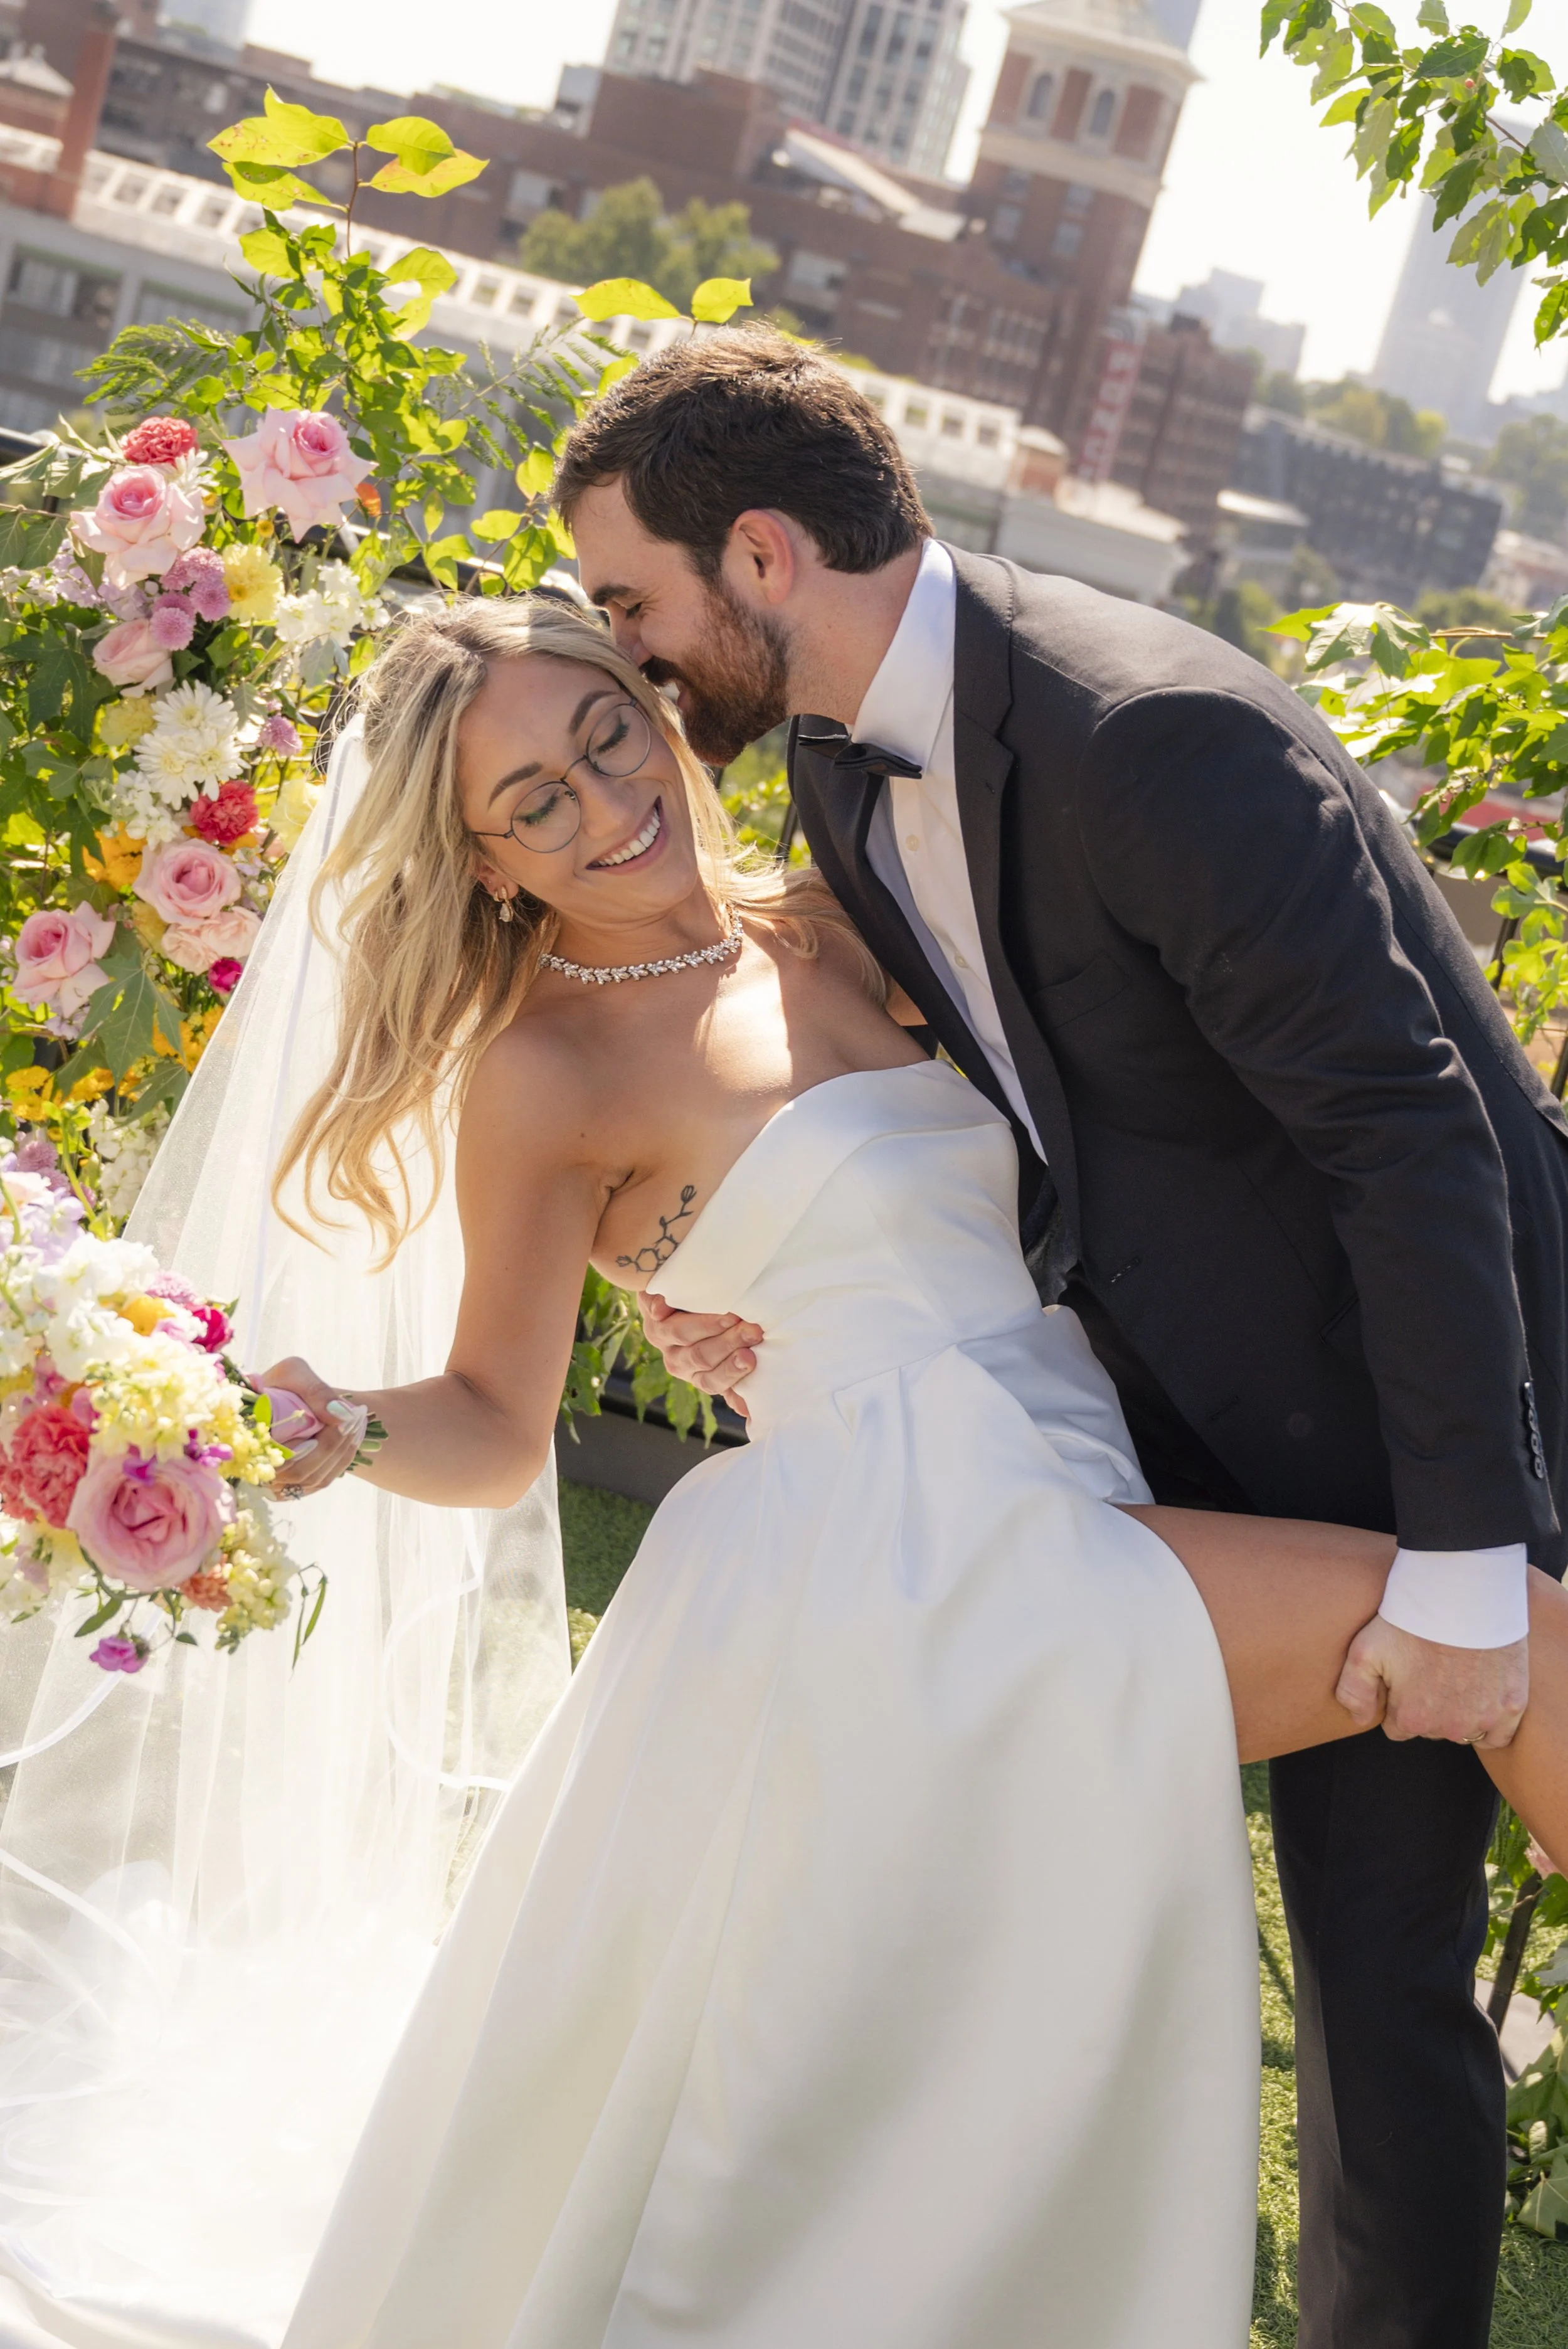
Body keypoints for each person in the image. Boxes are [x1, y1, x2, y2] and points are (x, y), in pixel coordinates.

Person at [159, 600, 1568, 2347]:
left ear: (650, 707)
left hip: (1060, 1488)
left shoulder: (834, 919)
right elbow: (493, 1422)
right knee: (1505, 1629)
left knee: (905, 2127)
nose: (603, 805)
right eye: (532, 802)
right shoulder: (540, 1071)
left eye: (603, 735)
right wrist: (339, 1427)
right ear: (481, 858)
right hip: (912, 1564)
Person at [556, 327, 1568, 2349]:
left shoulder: (1146, 734)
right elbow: (1051, 1103)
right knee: (1194, 1932)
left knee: (1380, 1985)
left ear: (760, 555)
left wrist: (1466, 1558)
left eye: (630, 605)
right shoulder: (849, 769)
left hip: (1432, 1415)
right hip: (1164, 1430)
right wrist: (788, 1273)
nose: (630, 661)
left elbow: (1411, 1139)